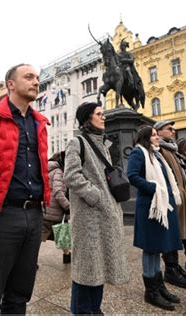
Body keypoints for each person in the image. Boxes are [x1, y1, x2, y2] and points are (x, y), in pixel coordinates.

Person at [64, 102, 129, 314]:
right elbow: (71, 176)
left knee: (99, 266)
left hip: (106, 215)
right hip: (89, 217)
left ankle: (95, 309)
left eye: (103, 114)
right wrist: (97, 197)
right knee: (86, 268)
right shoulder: (77, 142)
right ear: (87, 119)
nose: (104, 117)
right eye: (99, 114)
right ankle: (81, 311)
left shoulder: (104, 144)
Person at [0, 64, 50, 314]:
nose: (36, 82)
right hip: (5, 214)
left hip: (34, 213)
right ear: (11, 84)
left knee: (20, 290)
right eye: (28, 77)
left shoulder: (39, 122)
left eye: (37, 78)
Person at [126, 126, 183, 310]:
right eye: (154, 135)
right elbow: (132, 176)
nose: (157, 137)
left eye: (157, 134)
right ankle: (150, 291)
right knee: (151, 248)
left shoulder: (156, 154)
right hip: (150, 206)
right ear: (145, 137)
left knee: (159, 246)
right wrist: (154, 189)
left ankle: (159, 286)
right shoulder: (138, 152)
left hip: (162, 205)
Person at [154, 120, 186, 281]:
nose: (173, 131)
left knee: (184, 230)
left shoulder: (173, 149)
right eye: (169, 129)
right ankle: (171, 269)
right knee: (172, 233)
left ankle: (181, 264)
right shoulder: (160, 150)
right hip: (173, 196)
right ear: (159, 132)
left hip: (183, 193)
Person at [42, 151, 71, 264]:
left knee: (39, 237)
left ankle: (31, 260)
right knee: (63, 233)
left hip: (47, 209)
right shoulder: (59, 172)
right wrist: (67, 206)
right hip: (56, 211)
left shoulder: (49, 170)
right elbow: (58, 192)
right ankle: (67, 256)